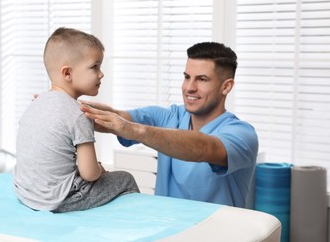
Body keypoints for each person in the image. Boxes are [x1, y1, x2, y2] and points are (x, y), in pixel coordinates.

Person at [81, 42, 258, 208]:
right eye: (187, 77)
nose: (189, 87)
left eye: (202, 79)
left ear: (226, 87)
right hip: (167, 230)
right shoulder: (170, 117)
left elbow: (204, 147)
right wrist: (68, 103)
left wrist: (134, 130)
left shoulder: (242, 135)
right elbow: (115, 117)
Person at [13, 27, 140, 213]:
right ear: (67, 73)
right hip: (60, 199)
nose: (101, 73)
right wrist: (99, 169)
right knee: (125, 179)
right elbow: (89, 174)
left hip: (26, 193)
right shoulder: (78, 114)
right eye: (94, 66)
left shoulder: (36, 102)